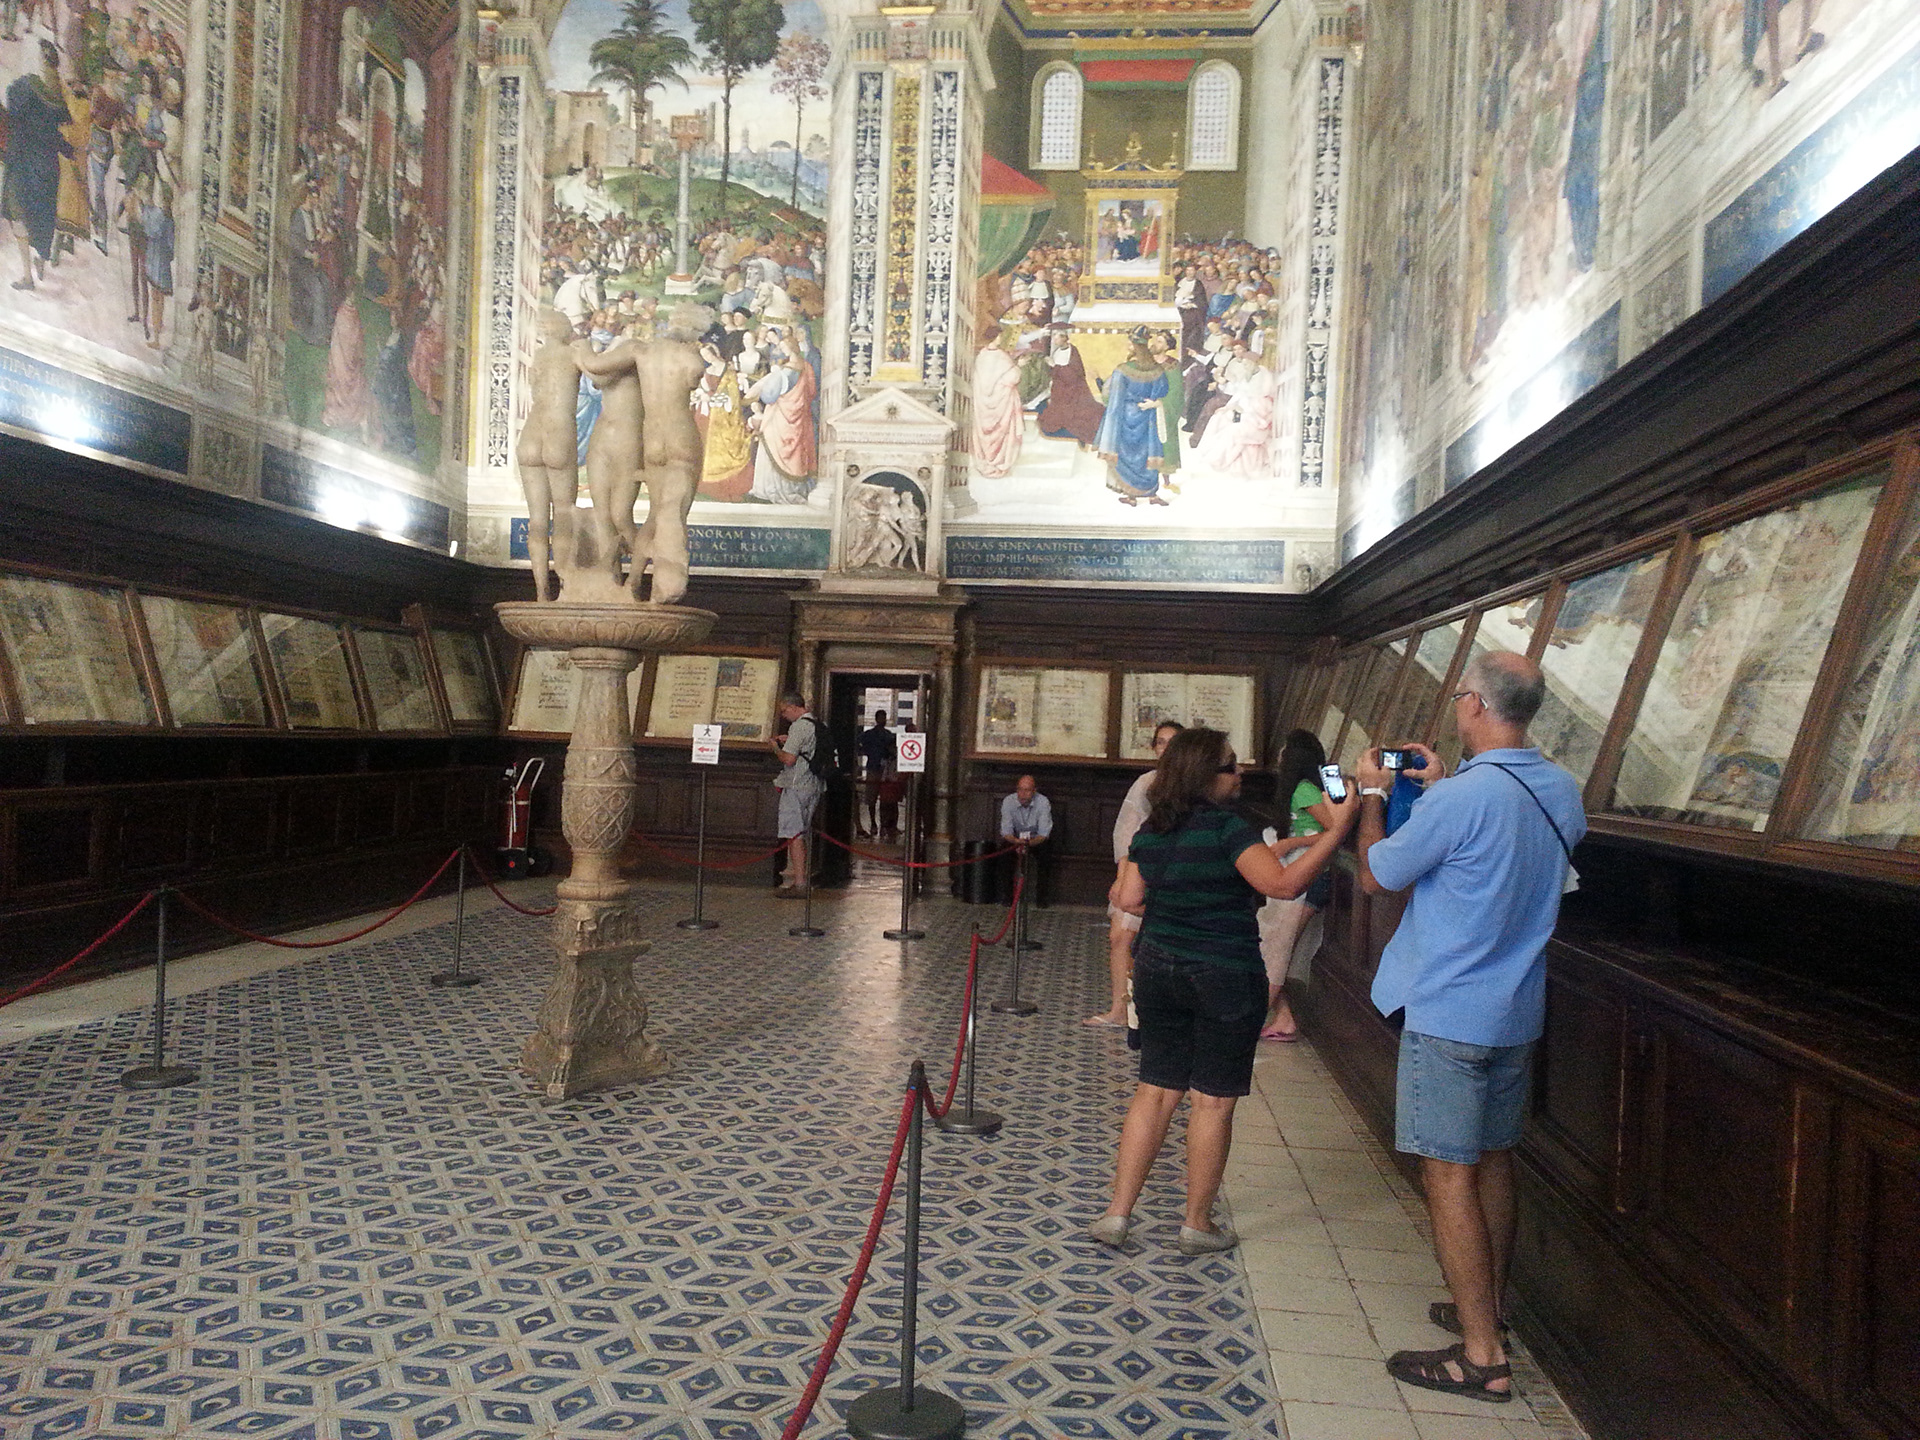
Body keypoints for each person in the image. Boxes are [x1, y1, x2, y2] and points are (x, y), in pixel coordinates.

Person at [1353, 652, 1585, 1404]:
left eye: (1460, 698)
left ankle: (1480, 1356)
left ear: (1477, 705)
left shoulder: (1462, 800)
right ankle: (1486, 1308)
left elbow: (1378, 874)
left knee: (1446, 1172)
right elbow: (1503, 848)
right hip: (1516, 1007)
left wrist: (1371, 798)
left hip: (1450, 1010)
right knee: (1493, 1160)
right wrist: (1440, 786)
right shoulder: (1560, 789)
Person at [1088, 728, 1357, 1254]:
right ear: (1206, 776)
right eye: (1231, 767)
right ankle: (1195, 1224)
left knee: (1155, 1089)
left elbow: (1127, 895)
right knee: (1211, 1102)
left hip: (1158, 968)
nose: (1240, 775)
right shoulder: (1229, 830)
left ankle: (1118, 1215)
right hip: (1223, 972)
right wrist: (1336, 829)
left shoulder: (1154, 828)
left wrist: (1179, 905)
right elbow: (1282, 885)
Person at [1086, 720, 1182, 1029]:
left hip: (1174, 872)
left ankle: (1152, 1009)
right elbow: (1126, 832)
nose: (1165, 748)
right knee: (1120, 936)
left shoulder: (1190, 786)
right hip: (1140, 869)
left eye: (1172, 742)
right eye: (1160, 742)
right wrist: (1122, 876)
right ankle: (1119, 1007)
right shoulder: (1146, 783)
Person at [1256, 729, 1339, 1041]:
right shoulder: (1301, 788)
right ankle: (1286, 1018)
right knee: (1286, 947)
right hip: (1301, 872)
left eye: (1284, 750)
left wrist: (1293, 841)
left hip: (1309, 874)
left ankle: (1250, 1020)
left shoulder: (1304, 789)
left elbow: (1335, 829)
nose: (1279, 756)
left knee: (1280, 944)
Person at [768, 692, 826, 897]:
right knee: (802, 832)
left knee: (794, 834)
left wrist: (776, 748)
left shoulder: (799, 726)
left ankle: (800, 883)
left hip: (796, 785)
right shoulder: (816, 724)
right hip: (813, 784)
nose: (784, 716)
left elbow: (789, 759)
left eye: (784, 711)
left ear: (793, 707)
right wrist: (790, 740)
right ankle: (802, 879)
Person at [856, 709, 896, 839]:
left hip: (884, 770)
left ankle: (885, 824)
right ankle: (874, 822)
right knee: (871, 798)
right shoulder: (869, 735)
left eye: (884, 718)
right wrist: (866, 752)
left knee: (886, 798)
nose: (883, 720)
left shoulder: (888, 735)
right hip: (873, 768)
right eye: (881, 718)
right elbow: (858, 744)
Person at [999, 774, 1051, 851]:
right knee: (1003, 849)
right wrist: (1017, 841)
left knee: (1045, 848)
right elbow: (1006, 832)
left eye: (1027, 790)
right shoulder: (1008, 801)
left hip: (1035, 840)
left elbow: (1043, 834)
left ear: (1034, 791)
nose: (1023, 794)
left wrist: (1028, 843)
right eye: (1020, 789)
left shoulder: (1043, 802)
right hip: (1015, 839)